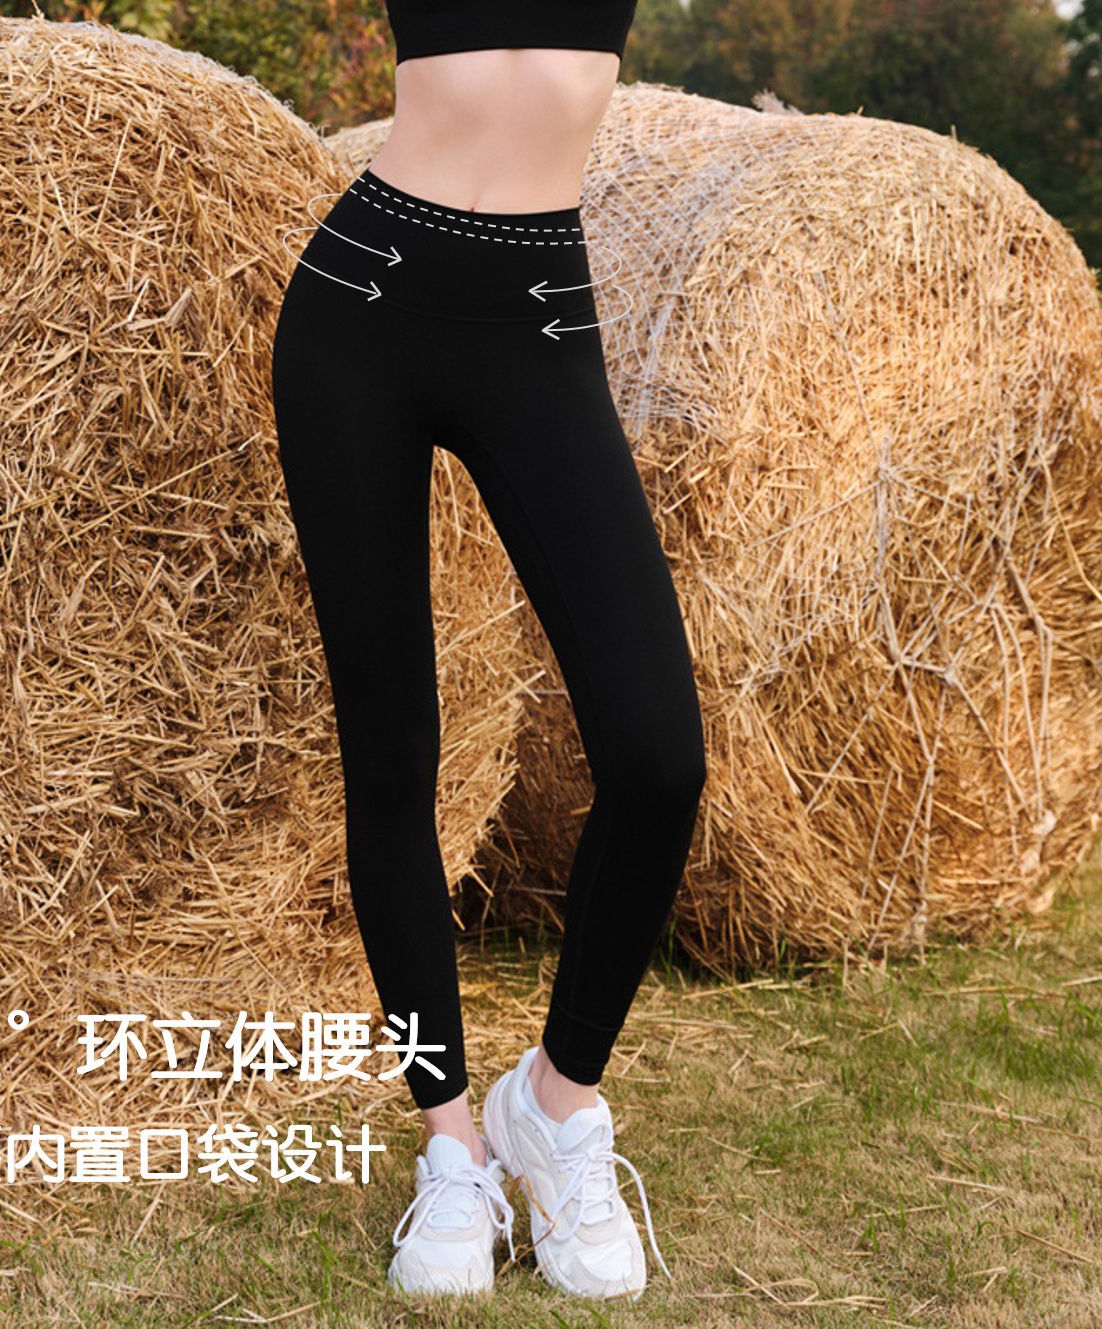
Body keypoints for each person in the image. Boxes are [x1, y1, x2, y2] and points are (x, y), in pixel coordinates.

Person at [270, 0, 707, 1301]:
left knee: (658, 756)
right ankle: (451, 1143)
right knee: (392, 752)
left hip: (537, 321)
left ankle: (554, 1102)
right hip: (361, 307)